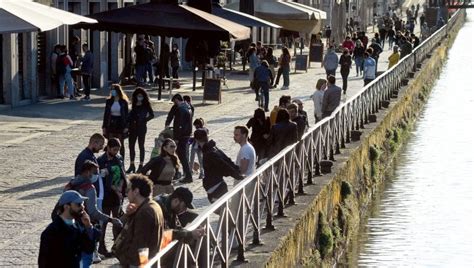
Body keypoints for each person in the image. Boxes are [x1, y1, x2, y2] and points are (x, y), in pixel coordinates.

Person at [68, 160, 123, 265]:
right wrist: (111, 219)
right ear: (88, 172)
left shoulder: (72, 183)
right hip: (83, 224)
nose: (97, 175)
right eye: (95, 172)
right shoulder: (89, 188)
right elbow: (93, 212)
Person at [112, 174, 164, 267]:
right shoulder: (152, 205)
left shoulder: (145, 212)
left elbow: (139, 244)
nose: (126, 194)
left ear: (136, 191)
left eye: (128, 190)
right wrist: (128, 215)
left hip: (139, 263)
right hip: (148, 260)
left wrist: (126, 260)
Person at [39, 191, 96, 268]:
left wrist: (88, 227)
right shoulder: (52, 231)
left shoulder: (79, 226)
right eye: (78, 204)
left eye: (83, 204)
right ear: (66, 207)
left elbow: (89, 249)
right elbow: (44, 262)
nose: (82, 207)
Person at [193, 129, 243, 203]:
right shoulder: (213, 148)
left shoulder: (209, 152)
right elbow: (226, 159)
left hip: (216, 188)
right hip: (218, 185)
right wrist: (237, 170)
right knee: (224, 212)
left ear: (196, 140)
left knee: (223, 211)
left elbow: (224, 164)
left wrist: (238, 175)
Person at [96, 138, 127, 257]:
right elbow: (101, 179)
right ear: (108, 148)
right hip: (106, 196)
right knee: (103, 222)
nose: (116, 152)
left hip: (117, 196)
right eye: (114, 149)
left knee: (118, 222)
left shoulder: (118, 158)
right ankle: (101, 247)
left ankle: (117, 246)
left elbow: (122, 173)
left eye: (118, 150)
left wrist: (122, 189)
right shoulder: (100, 161)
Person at [165, 94, 193, 183]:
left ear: (177, 100)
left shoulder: (180, 109)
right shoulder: (188, 107)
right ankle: (187, 175)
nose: (174, 104)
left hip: (181, 136)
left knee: (182, 156)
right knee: (183, 155)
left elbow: (178, 125)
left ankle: (188, 176)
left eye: (174, 102)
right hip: (186, 134)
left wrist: (176, 137)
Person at [127, 87, 154, 173]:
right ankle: (132, 164)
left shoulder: (146, 105)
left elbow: (152, 115)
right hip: (132, 128)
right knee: (131, 146)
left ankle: (141, 165)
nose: (139, 97)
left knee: (141, 146)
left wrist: (144, 120)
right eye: (138, 96)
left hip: (141, 128)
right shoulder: (134, 104)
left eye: (141, 96)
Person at [102, 84, 129, 158]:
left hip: (120, 122)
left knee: (120, 142)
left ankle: (121, 158)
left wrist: (126, 126)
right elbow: (106, 114)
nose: (112, 91)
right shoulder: (109, 101)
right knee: (110, 142)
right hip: (111, 122)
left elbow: (127, 115)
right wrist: (104, 126)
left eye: (114, 90)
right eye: (111, 90)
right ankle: (109, 158)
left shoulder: (123, 102)